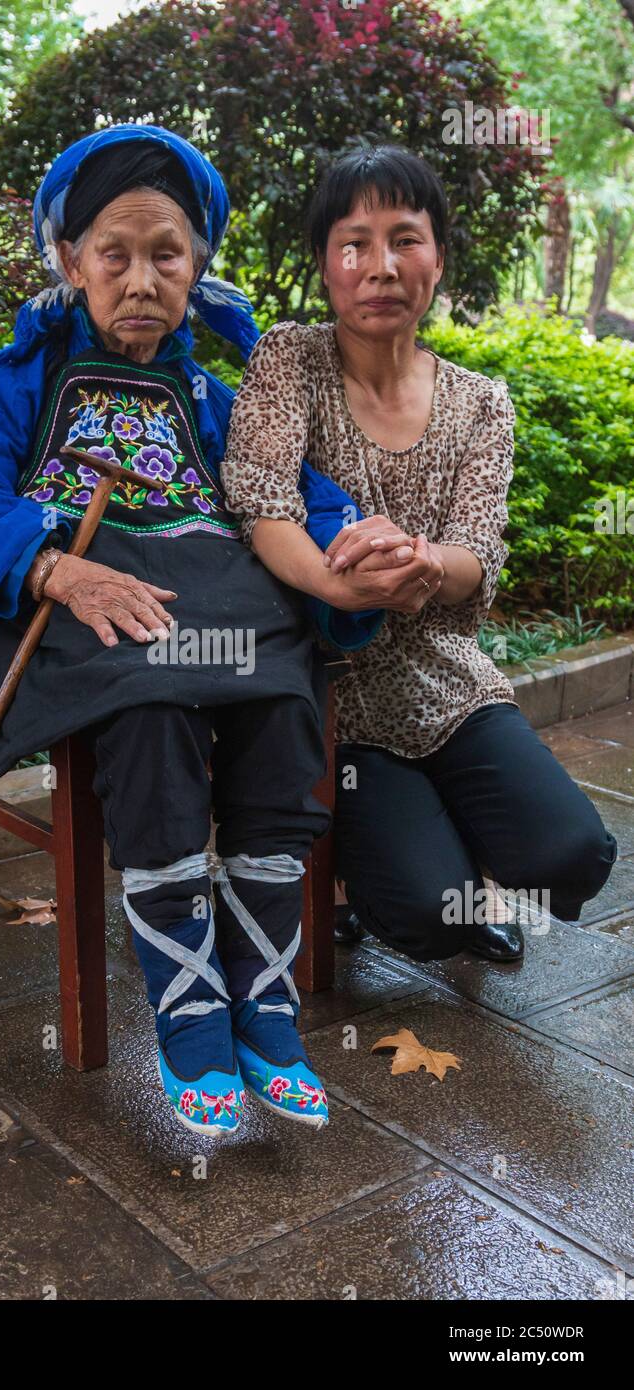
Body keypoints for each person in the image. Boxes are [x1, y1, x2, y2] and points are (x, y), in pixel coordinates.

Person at [0, 124, 382, 1137]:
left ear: (196, 266)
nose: (139, 279)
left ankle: (260, 994)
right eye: (113, 254)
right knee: (151, 700)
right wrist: (52, 564)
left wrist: (349, 538)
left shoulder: (215, 399)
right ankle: (185, 1001)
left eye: (165, 254)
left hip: (199, 615)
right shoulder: (20, 381)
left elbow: (289, 493)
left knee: (275, 690)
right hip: (62, 618)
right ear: (69, 261)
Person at [221, 143, 617, 966]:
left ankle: (452, 855)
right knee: (430, 920)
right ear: (326, 263)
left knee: (573, 856)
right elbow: (260, 505)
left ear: (437, 257)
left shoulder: (481, 402)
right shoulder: (291, 360)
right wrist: (346, 585)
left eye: (406, 238)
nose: (380, 265)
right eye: (354, 242)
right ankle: (359, 884)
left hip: (446, 679)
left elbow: (479, 551)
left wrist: (429, 565)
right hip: (330, 695)